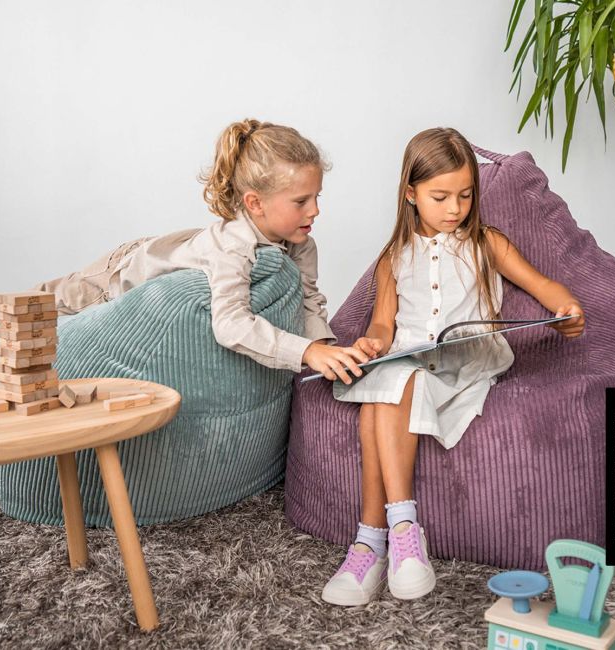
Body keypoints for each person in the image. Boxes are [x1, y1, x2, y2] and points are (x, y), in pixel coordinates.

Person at [321, 127, 585, 606]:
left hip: (465, 361)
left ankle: (378, 537)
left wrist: (566, 308)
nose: (455, 208)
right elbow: (382, 324)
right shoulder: (393, 258)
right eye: (440, 197)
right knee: (384, 391)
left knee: (392, 389)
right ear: (411, 194)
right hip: (409, 361)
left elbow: (544, 286)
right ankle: (388, 537)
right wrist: (372, 343)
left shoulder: (487, 243)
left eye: (465, 195)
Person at [34, 119, 370, 378]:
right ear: (255, 203)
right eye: (301, 201)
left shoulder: (302, 244)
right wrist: (306, 352)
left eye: (317, 197)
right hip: (120, 273)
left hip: (175, 246)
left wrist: (326, 350)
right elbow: (231, 325)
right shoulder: (233, 247)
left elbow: (309, 300)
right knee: (36, 305)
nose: (315, 210)